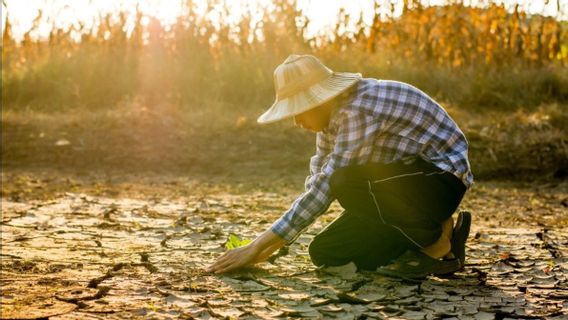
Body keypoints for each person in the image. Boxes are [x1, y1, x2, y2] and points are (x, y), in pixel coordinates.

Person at [207, 54, 473, 278]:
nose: (296, 121)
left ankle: (436, 237)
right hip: (402, 185)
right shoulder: (329, 122)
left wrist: (256, 246)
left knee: (344, 182)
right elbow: (316, 179)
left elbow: (327, 186)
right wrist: (275, 244)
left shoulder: (357, 110)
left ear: (320, 99)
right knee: (326, 252)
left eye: (300, 111)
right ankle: (434, 240)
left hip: (440, 180)